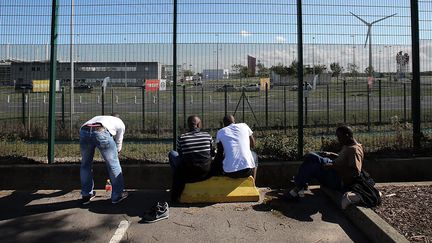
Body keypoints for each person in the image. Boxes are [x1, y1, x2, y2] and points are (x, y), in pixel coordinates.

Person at [283, 125, 363, 203]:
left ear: (347, 135)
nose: (338, 139)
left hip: (338, 180)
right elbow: (344, 159)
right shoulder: (348, 145)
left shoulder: (354, 150)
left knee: (314, 167)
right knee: (311, 156)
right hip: (333, 168)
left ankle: (296, 189)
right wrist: (331, 154)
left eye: (339, 137)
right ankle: (300, 184)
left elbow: (355, 171)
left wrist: (333, 166)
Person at [79, 113, 128, 205]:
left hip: (84, 131)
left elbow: (85, 128)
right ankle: (117, 195)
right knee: (113, 165)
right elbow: (118, 141)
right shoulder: (120, 122)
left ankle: (86, 195)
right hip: (101, 131)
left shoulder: (98, 117)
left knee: (85, 165)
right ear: (117, 117)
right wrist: (117, 151)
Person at [168, 115, 215, 202]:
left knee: (172, 154)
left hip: (188, 174)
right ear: (198, 125)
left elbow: (181, 155)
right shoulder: (207, 136)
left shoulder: (181, 138)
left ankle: (178, 183)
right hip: (206, 172)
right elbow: (212, 153)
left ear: (189, 125)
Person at [213, 115, 258, 179]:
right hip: (247, 171)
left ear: (224, 124)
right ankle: (253, 184)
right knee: (254, 155)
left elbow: (220, 153)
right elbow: (253, 145)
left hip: (230, 173)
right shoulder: (244, 126)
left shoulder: (221, 132)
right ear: (234, 121)